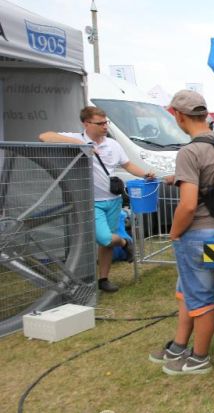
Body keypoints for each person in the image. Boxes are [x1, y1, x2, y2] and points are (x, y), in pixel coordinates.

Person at [149, 90, 214, 375]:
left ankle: (199, 358)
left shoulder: (189, 151)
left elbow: (187, 206)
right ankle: (179, 345)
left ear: (178, 115)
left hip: (196, 233)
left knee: (200, 297)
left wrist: (173, 234)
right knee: (188, 291)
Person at [39, 106, 155, 293]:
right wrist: (82, 145)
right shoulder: (77, 139)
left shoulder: (113, 145)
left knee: (105, 243)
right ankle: (126, 243)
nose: (104, 126)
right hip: (91, 201)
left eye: (106, 122)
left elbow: (127, 164)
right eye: (100, 123)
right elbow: (44, 136)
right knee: (105, 238)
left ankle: (103, 279)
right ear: (86, 123)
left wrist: (145, 174)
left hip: (114, 199)